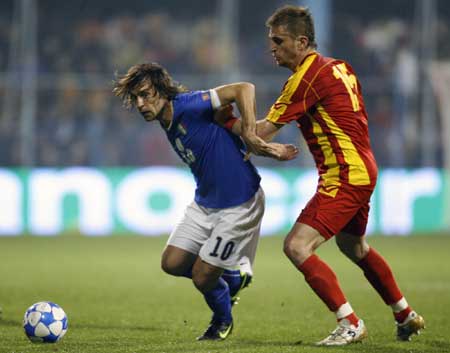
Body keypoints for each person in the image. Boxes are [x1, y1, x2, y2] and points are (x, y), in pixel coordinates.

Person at [220, 5, 425, 346]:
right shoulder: (340, 67)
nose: (272, 47)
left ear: (302, 42)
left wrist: (222, 120)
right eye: (271, 40)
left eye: (279, 40)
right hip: (362, 168)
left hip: (344, 174)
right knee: (354, 245)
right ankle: (405, 314)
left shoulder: (305, 79)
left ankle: (350, 323)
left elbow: (259, 136)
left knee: (297, 246)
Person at [113, 62, 298, 341]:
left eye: (146, 94)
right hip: (205, 203)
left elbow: (243, 88)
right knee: (172, 263)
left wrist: (249, 132)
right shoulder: (168, 119)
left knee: (202, 276)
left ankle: (221, 320)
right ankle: (232, 279)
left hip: (239, 204)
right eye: (136, 98)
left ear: (162, 90)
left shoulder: (188, 105)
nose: (141, 104)